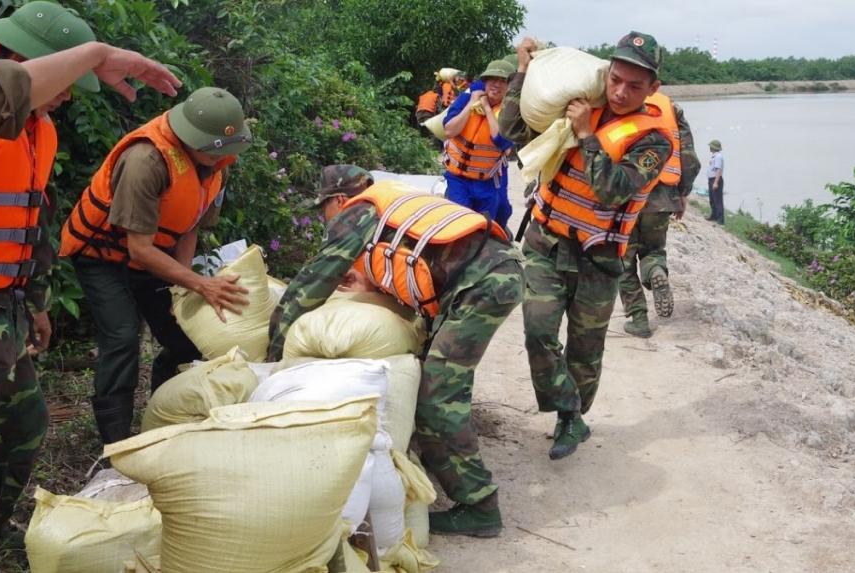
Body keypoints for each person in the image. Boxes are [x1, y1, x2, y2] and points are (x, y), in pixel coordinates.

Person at [0, 1, 181, 557]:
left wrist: (34, 301)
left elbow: (33, 220)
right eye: (66, 80)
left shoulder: (34, 128)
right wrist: (95, 54)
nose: (67, 96)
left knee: (24, 427)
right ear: (25, 59)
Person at [267, 165, 524, 538]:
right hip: (484, 274)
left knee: (437, 393)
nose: (324, 219)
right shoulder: (390, 200)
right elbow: (409, 260)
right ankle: (446, 461)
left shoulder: (356, 212)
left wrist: (274, 354)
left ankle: (480, 506)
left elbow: (307, 288)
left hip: (484, 282)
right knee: (433, 375)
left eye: (322, 209)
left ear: (339, 200)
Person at [499, 32, 673, 460]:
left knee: (584, 349)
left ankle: (569, 420)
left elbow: (612, 190)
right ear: (606, 73)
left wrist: (585, 134)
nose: (620, 91)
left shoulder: (654, 141)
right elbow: (511, 128)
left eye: (635, 86)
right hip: (546, 240)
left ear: (653, 89)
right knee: (538, 332)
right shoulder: (579, 103)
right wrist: (523, 72)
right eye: (615, 79)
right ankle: (567, 408)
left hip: (599, 258)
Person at [58, 87, 252, 445]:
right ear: (191, 138)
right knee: (121, 337)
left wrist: (182, 288)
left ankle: (163, 413)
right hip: (105, 258)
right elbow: (139, 248)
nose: (222, 155)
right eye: (214, 149)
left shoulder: (213, 164)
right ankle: (116, 442)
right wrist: (199, 283)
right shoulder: (145, 161)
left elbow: (189, 224)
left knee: (185, 334)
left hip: (155, 257)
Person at [618, 92, 701, 337]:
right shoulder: (671, 108)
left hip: (626, 196)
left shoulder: (619, 100)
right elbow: (689, 157)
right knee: (653, 251)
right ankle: (655, 271)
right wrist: (682, 192)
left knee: (623, 259)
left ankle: (639, 318)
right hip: (663, 197)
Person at [442, 59, 515, 229]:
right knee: (460, 224)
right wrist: (471, 104)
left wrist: (487, 108)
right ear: (484, 82)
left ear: (509, 86)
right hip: (458, 179)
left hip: (487, 183)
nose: (495, 85)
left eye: (502, 81)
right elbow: (449, 131)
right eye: (491, 80)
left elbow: (502, 142)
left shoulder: (509, 112)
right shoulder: (467, 98)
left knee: (487, 227)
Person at [706, 139, 724, 224]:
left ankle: (720, 219)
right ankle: (714, 215)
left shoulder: (718, 157)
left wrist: (716, 182)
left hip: (715, 179)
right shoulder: (714, 156)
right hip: (711, 179)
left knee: (717, 200)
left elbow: (718, 170)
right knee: (712, 199)